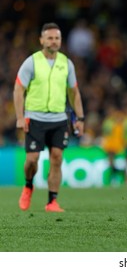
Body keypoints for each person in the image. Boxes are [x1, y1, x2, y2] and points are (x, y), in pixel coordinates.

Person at [13, 22, 85, 212]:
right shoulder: (32, 62)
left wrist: (80, 118)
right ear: (42, 40)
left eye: (57, 38)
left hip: (59, 119)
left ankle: (52, 201)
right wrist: (20, 117)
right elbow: (18, 89)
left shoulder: (66, 63)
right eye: (50, 38)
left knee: (57, 157)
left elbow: (74, 92)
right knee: (32, 160)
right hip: (34, 118)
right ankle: (28, 185)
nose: (54, 41)